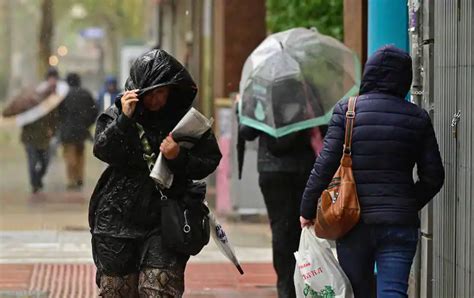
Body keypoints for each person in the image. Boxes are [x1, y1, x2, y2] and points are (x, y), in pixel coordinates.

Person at [300, 45, 445, 297]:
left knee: (357, 292)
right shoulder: (417, 117)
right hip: (399, 222)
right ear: (405, 79)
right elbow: (434, 176)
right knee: (393, 292)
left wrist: (306, 209)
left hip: (353, 221)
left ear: (369, 74)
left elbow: (323, 166)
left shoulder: (347, 111)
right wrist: (407, 203)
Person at [89, 49, 222, 297]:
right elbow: (102, 149)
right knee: (117, 290)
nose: (155, 100)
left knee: (159, 288)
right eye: (149, 94)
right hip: (117, 217)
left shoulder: (185, 120)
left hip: (165, 217)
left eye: (161, 92)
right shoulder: (118, 114)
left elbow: (209, 159)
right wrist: (123, 122)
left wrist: (178, 157)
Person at [238, 78, 325, 298]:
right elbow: (323, 125)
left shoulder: (261, 91)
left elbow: (246, 131)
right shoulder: (307, 88)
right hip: (304, 169)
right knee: (303, 227)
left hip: (272, 170)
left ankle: (286, 287)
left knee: (280, 229)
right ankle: (303, 282)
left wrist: (245, 109)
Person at [21, 68, 60, 193]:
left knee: (45, 162)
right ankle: (34, 184)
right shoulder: (29, 101)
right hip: (30, 137)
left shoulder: (52, 98)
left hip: (44, 137)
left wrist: (52, 131)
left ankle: (38, 179)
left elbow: (54, 118)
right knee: (32, 163)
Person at [58, 73, 98, 190]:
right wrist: (87, 124)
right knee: (80, 155)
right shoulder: (86, 94)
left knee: (69, 156)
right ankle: (80, 177)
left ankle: (71, 179)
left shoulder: (63, 95)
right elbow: (95, 111)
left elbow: (57, 113)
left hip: (67, 131)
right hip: (82, 131)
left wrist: (61, 124)